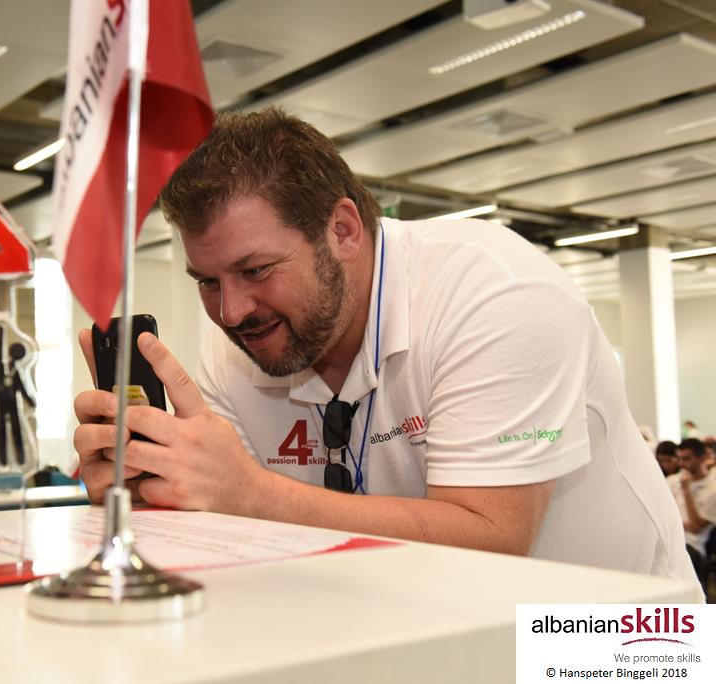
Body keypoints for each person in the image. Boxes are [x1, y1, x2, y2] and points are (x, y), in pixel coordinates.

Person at [73, 108, 699, 592]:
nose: (232, 311)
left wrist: (250, 492)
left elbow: (493, 538)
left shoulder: (497, 293)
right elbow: (228, 524)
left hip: (617, 640)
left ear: (342, 230)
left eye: (256, 269)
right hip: (433, 632)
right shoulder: (234, 349)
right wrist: (153, 491)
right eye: (208, 282)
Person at [668, 438, 716, 584]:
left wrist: (686, 490)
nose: (681, 464)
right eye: (679, 458)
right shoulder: (672, 480)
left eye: (687, 459)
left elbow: (695, 527)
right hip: (668, 536)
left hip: (692, 544)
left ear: (702, 458)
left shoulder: (712, 488)